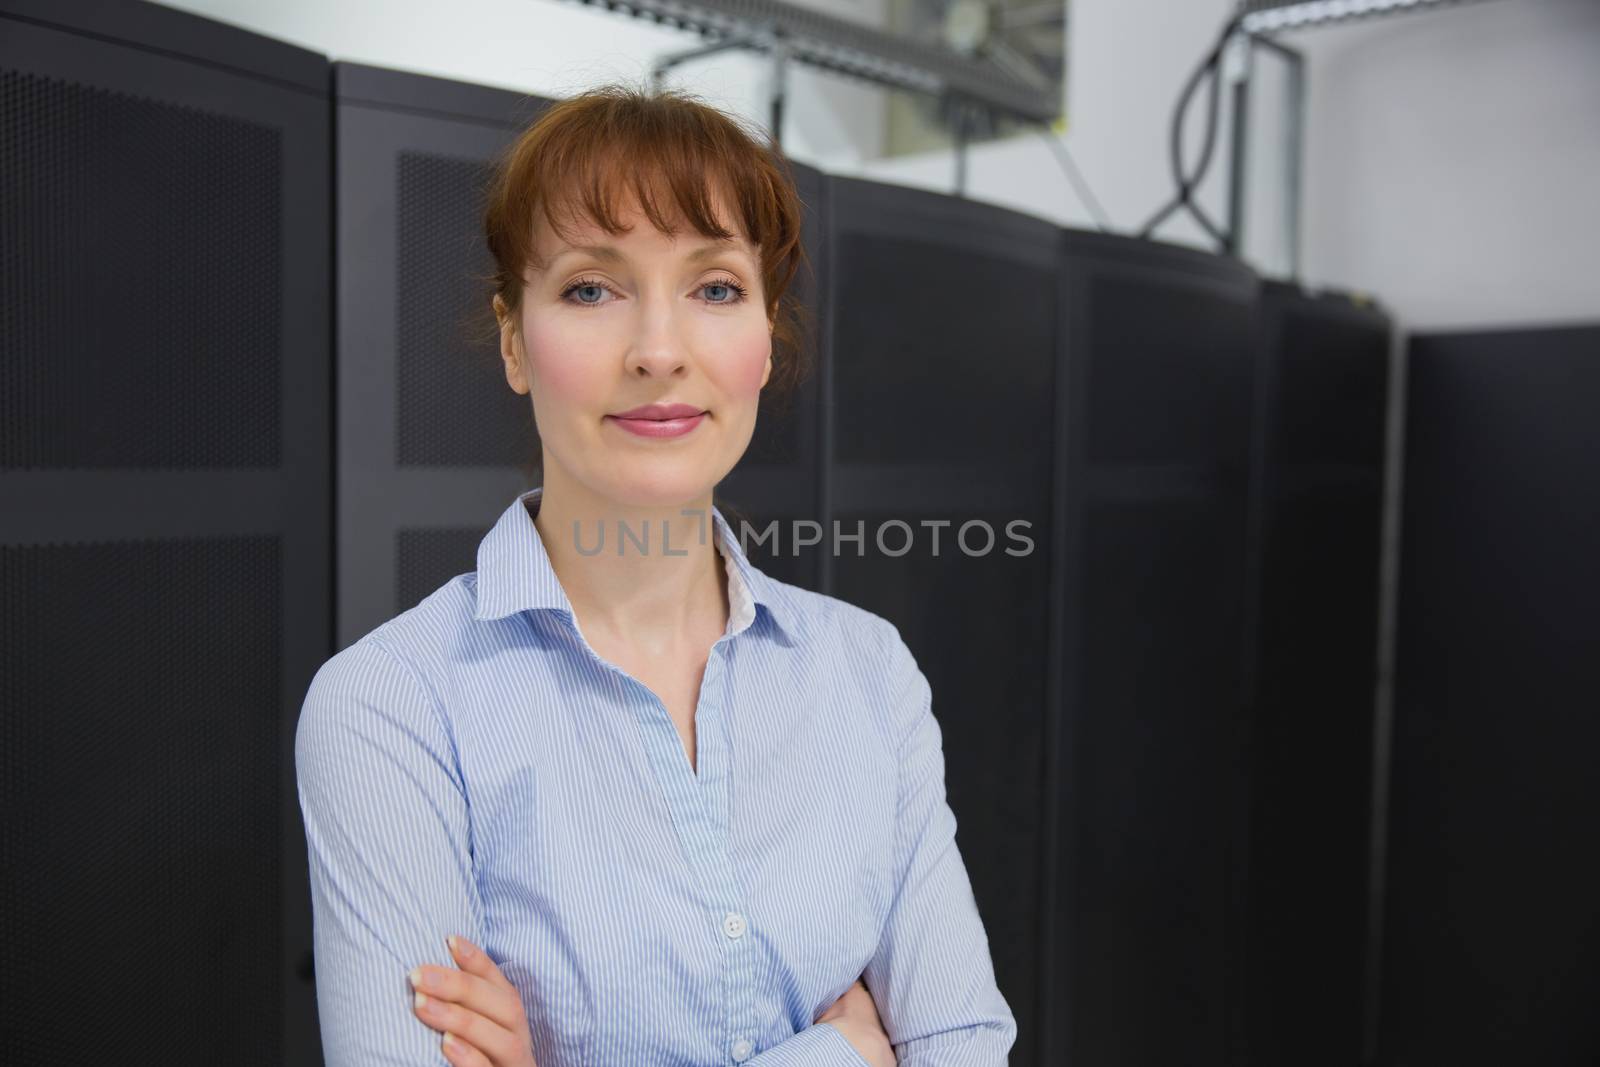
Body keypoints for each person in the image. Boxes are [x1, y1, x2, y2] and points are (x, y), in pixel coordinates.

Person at [294, 81, 1017, 1067]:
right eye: (591, 288)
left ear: (767, 337)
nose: (659, 351)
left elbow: (964, 1046)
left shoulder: (868, 673)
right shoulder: (391, 708)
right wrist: (845, 1054)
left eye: (715, 287)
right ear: (515, 340)